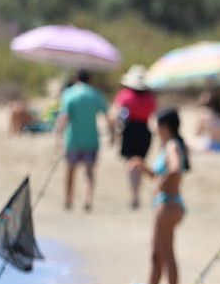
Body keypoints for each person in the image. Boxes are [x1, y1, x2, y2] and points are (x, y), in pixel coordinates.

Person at [147, 108, 191, 284]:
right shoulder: (169, 145)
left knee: (167, 255)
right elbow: (161, 176)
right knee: (157, 255)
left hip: (168, 205)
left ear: (164, 126)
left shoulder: (172, 145)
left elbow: (174, 168)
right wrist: (143, 168)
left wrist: (161, 184)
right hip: (167, 203)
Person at [54, 70, 114, 211]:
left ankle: (68, 199)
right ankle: (88, 199)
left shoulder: (69, 94)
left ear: (76, 79)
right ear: (90, 80)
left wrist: (58, 137)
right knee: (89, 172)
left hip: (73, 139)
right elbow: (107, 116)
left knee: (70, 170)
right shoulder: (95, 94)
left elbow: (64, 118)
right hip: (91, 139)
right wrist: (113, 135)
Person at [112, 66, 158, 210]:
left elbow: (115, 114)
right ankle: (136, 194)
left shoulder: (125, 95)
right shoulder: (150, 98)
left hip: (130, 130)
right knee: (139, 163)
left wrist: (114, 133)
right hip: (144, 131)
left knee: (132, 164)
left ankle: (134, 196)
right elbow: (154, 116)